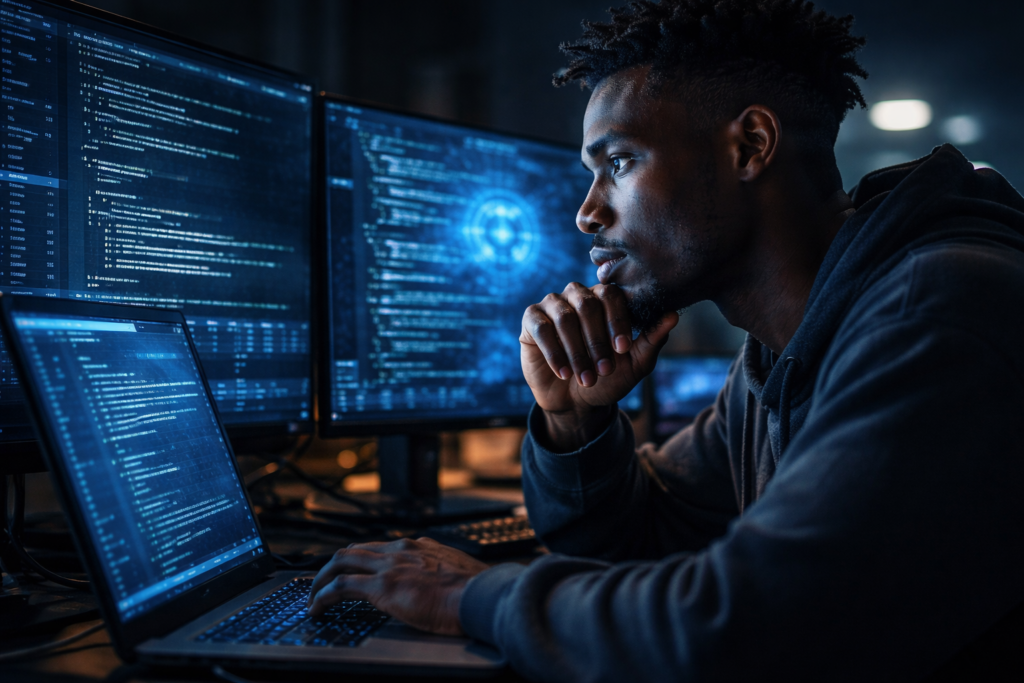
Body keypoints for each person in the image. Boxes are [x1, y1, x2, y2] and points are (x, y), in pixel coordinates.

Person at [307, 0, 1024, 679]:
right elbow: (645, 536)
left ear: (749, 146)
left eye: (616, 163)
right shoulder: (781, 349)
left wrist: (471, 596)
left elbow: (734, 631)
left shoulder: (934, 314)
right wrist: (576, 421)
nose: (587, 213)